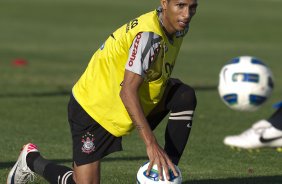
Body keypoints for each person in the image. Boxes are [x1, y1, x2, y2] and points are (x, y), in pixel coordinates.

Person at [7, 0, 198, 183]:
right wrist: (151, 144)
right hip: (94, 108)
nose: (186, 14)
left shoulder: (178, 27)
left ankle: (166, 174)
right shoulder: (149, 36)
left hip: (125, 102)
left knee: (183, 96)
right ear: (164, 3)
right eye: (180, 6)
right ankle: (31, 160)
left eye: (192, 7)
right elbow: (127, 92)